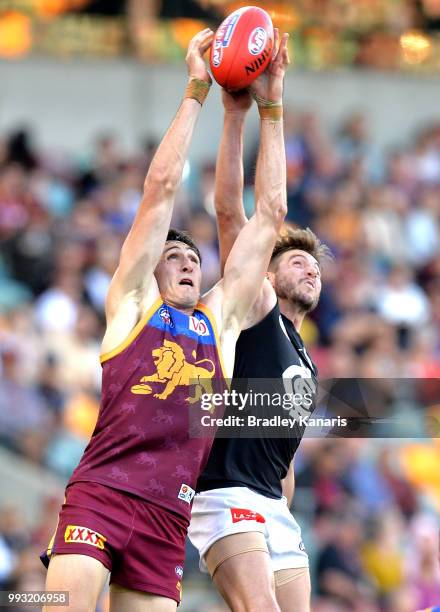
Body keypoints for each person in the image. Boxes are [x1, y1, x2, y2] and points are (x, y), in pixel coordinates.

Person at [40, 28, 288, 612]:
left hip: (166, 519)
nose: (185, 263)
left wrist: (271, 104)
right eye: (172, 256)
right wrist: (196, 90)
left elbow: (270, 215)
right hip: (101, 495)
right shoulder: (131, 307)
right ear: (150, 272)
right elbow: (161, 188)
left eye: (193, 259)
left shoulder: (217, 326)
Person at [188, 37, 330, 612]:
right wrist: (239, 115)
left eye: (315, 263)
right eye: (295, 258)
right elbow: (231, 213)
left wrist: (284, 500)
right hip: (226, 495)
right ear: (264, 276)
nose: (309, 265)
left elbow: (283, 455)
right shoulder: (256, 307)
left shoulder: (304, 355)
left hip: (272, 503)